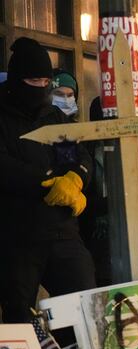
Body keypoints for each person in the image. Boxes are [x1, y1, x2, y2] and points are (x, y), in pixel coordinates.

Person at [0, 37, 94, 323]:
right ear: (18, 80)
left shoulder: (54, 117)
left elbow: (74, 156)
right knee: (20, 315)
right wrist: (47, 181)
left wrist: (75, 179)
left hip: (62, 229)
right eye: (33, 81)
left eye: (45, 81)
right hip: (16, 236)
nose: (40, 88)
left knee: (82, 306)